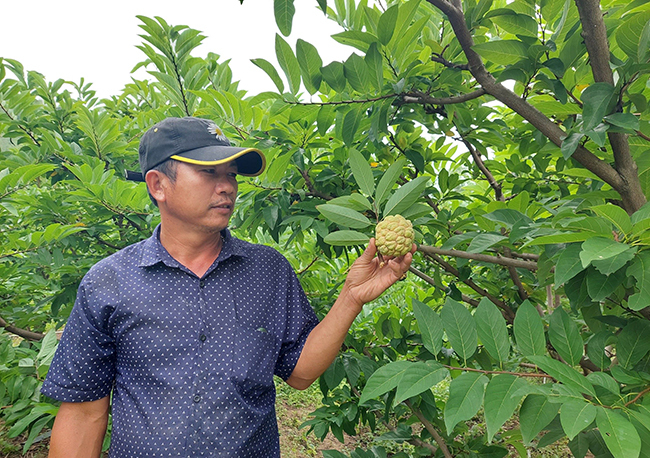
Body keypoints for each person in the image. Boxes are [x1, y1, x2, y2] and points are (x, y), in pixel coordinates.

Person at [42, 116, 414, 458]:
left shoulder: (268, 270)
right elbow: (83, 413)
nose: (227, 187)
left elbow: (300, 373)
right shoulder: (109, 281)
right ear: (158, 185)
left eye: (232, 175)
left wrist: (351, 297)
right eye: (209, 173)